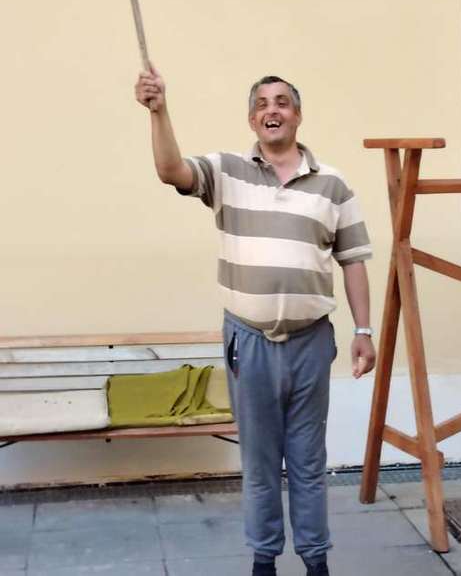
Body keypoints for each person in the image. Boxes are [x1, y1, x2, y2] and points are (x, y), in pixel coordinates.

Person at [135, 67, 376, 576]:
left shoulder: (333, 185)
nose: (273, 110)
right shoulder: (226, 171)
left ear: (298, 115)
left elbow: (353, 260)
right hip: (250, 343)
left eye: (282, 102)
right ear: (252, 119)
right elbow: (171, 170)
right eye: (263, 103)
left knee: (308, 462)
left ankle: (315, 561)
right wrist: (159, 111)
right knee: (260, 464)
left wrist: (363, 331)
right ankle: (263, 561)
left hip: (311, 343)